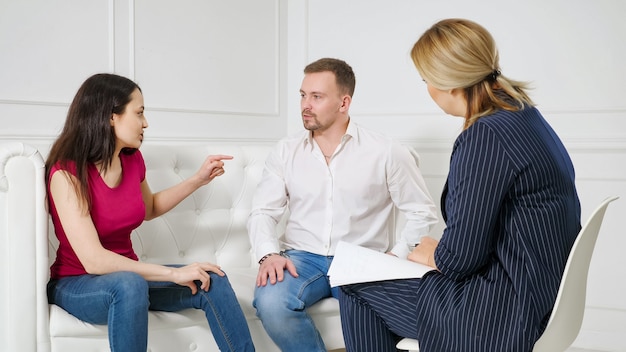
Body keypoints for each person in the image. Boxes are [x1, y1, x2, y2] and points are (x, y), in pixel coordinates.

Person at [338, 18, 582, 352]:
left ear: (448, 82)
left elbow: (458, 261)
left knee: (354, 288)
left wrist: (432, 254)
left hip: (502, 312)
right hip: (540, 297)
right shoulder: (525, 115)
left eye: (426, 80)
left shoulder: (486, 136)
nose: (428, 90)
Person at [45, 73, 255, 352]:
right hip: (78, 284)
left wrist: (198, 180)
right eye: (139, 113)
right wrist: (171, 274)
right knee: (130, 285)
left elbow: (150, 207)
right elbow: (94, 261)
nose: (146, 123)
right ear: (111, 116)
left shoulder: (131, 160)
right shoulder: (66, 172)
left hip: (129, 279)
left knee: (211, 279)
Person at [247, 57, 439, 351]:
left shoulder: (386, 151)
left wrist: (396, 255)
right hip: (302, 257)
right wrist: (268, 254)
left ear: (344, 102)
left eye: (317, 97)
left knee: (404, 315)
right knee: (271, 301)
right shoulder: (286, 150)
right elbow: (263, 210)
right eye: (302, 95)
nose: (305, 105)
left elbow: (420, 211)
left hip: (361, 260)